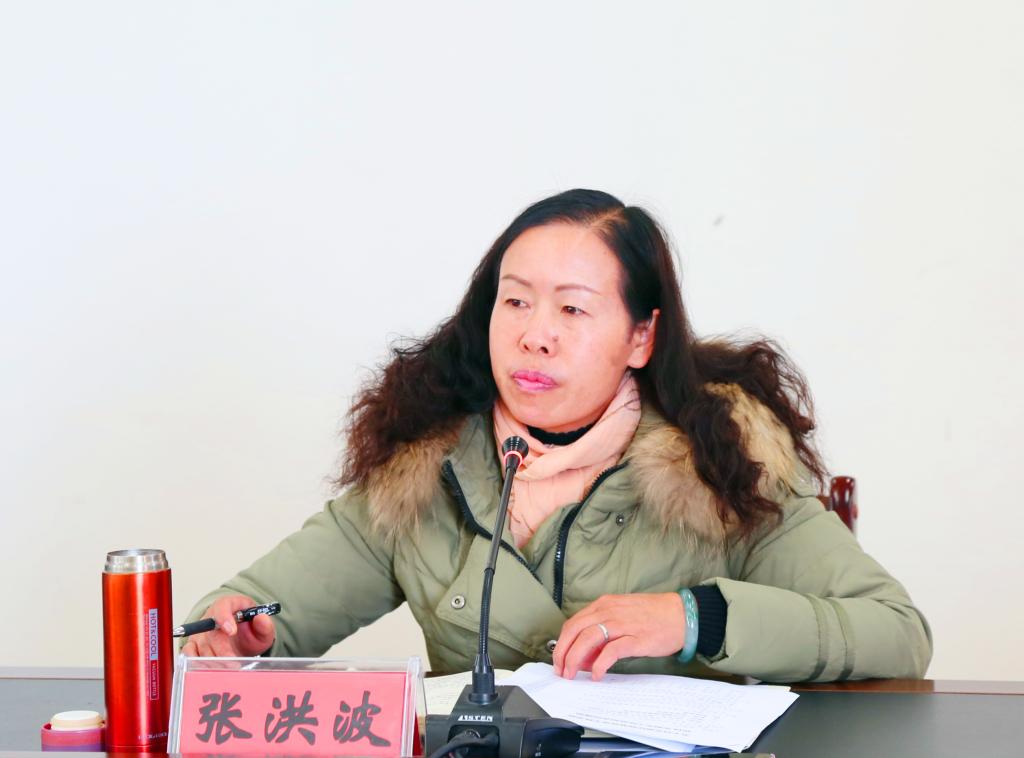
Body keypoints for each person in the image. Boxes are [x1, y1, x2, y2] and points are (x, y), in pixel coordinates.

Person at [181, 189, 932, 683]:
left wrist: (694, 616)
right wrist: (233, 633)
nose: (534, 336)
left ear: (640, 337)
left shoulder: (722, 466)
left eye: (572, 310)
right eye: (515, 303)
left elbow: (896, 632)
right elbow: (256, 611)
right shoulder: (423, 468)